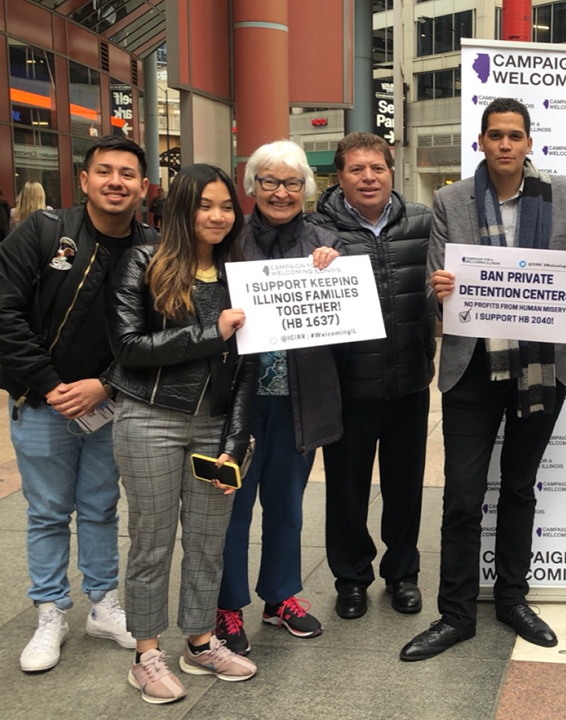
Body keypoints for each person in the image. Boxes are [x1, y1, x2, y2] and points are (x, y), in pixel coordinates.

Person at [400, 97, 566, 661]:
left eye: (516, 135)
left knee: (518, 487)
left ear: (529, 142)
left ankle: (513, 599)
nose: (506, 144)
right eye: (496, 135)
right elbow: (433, 282)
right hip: (472, 366)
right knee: (463, 497)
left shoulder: (564, 196)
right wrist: (438, 291)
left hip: (543, 366)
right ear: (482, 143)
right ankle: (456, 615)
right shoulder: (449, 200)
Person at [0, 136, 152, 673]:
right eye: (105, 172)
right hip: (41, 403)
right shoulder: (43, 232)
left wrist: (106, 385)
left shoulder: (154, 246)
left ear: (145, 187)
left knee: (101, 507)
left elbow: (163, 331)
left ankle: (103, 602)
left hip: (109, 404)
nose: (115, 182)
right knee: (49, 512)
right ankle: (50, 610)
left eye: (127, 174)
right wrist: (52, 385)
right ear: (84, 179)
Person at [107, 164, 260, 704]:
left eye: (225, 206)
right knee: (151, 542)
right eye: (205, 205)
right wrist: (208, 332)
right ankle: (145, 654)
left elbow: (247, 371)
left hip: (214, 424)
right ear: (181, 209)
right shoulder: (144, 262)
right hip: (149, 417)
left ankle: (198, 642)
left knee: (206, 541)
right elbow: (127, 347)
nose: (217, 216)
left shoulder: (239, 272)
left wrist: (234, 445)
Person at [215, 140, 344, 655]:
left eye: (292, 183)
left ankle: (280, 596)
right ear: (252, 187)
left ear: (306, 190)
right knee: (233, 506)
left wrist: (335, 271)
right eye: (269, 181)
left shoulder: (327, 242)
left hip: (298, 395)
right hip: (236, 401)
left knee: (287, 504)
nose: (281, 192)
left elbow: (346, 320)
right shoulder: (229, 240)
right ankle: (226, 604)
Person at [308, 132, 434, 620]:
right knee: (346, 489)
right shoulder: (317, 231)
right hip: (346, 386)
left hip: (409, 381)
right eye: (356, 169)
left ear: (391, 171)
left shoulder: (423, 221)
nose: (368, 177)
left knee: (406, 487)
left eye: (376, 168)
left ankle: (402, 574)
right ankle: (352, 578)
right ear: (339, 176)